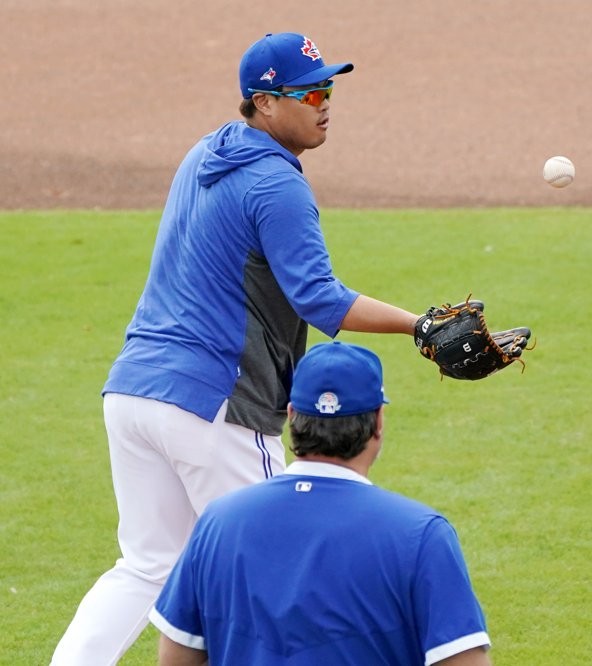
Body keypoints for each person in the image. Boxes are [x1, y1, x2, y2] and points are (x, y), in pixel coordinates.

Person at [52, 32, 425, 664]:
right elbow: (320, 298)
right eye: (308, 92)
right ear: (265, 103)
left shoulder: (205, 153)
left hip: (133, 390)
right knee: (282, 560)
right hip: (211, 406)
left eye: (328, 88)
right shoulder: (276, 186)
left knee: (147, 566)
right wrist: (421, 326)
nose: (324, 102)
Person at [149, 341, 492, 665]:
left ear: (292, 416)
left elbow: (177, 655)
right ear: (378, 422)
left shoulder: (219, 522)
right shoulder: (420, 534)